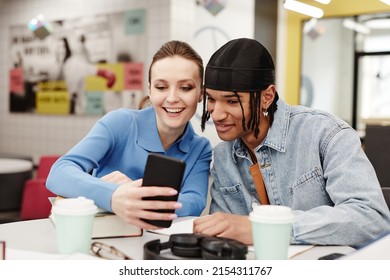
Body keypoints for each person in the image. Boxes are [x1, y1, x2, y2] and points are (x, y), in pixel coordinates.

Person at [193, 38, 390, 247]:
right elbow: (226, 236)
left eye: (232, 101)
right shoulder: (223, 157)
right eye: (211, 99)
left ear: (267, 96)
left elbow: (372, 218)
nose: (217, 113)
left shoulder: (325, 133)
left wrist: (267, 229)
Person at [47, 40, 212, 230]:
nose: (172, 97)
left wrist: (135, 192)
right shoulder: (120, 123)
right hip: (102, 240)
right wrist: (114, 195)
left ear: (201, 94)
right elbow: (59, 173)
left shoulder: (200, 148)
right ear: (149, 90)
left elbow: (195, 202)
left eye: (185, 88)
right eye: (161, 87)